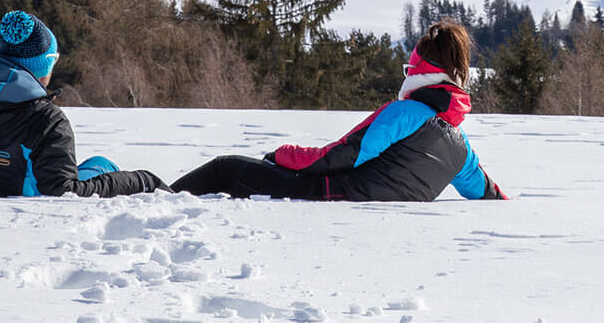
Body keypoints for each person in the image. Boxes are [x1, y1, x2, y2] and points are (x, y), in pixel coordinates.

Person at [172, 19, 506, 201]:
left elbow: (338, 157)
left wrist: (280, 155)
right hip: (355, 200)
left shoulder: (405, 114)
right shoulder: (461, 148)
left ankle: (160, 199)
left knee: (225, 169)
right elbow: (485, 190)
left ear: (419, 73)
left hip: (330, 194)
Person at [0, 10, 167, 197]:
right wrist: (142, 181)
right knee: (102, 164)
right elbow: (63, 194)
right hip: (20, 218)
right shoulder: (46, 121)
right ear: (42, 64)